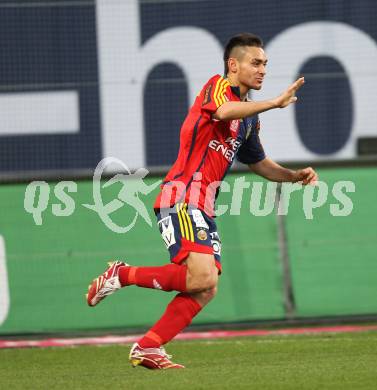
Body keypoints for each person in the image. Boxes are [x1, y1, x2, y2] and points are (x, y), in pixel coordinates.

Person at [86, 33, 318, 369]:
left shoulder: (249, 119)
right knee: (202, 279)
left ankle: (149, 345)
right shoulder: (216, 87)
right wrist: (272, 102)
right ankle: (121, 275)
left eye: (265, 63)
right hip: (181, 195)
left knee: (205, 287)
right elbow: (223, 111)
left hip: (204, 205)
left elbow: (259, 164)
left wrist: (294, 176)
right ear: (232, 64)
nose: (262, 69)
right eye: (255, 62)